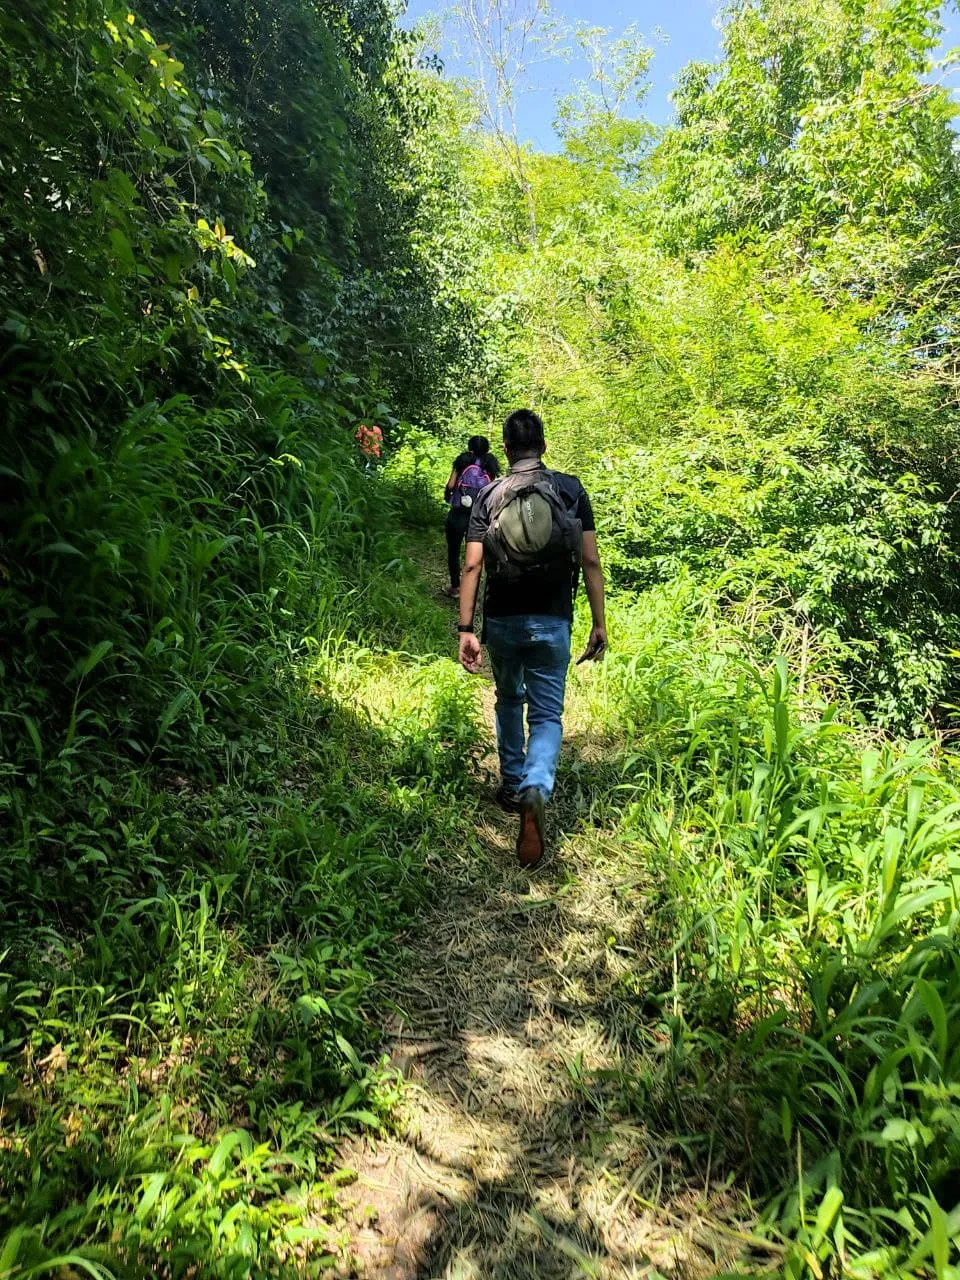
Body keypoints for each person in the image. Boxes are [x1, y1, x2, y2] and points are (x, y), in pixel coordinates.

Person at [456, 409, 607, 868]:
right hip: (554, 620)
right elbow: (591, 562)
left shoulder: (487, 494)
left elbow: (473, 565)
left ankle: (511, 782)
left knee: (507, 699)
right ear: (543, 444)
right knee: (546, 715)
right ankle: (536, 788)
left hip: (502, 621)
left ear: (506, 449)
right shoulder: (570, 489)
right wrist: (599, 623)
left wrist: (466, 628)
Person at [442, 434, 500, 597]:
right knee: (474, 554)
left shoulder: (462, 461)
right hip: (479, 515)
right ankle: (472, 589)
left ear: (470, 447)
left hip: (458, 513)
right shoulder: (490, 464)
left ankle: (455, 587)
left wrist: (448, 495)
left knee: (453, 551)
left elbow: (452, 484)